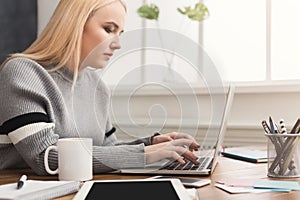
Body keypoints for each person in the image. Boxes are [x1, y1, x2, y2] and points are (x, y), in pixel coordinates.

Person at [0, 0, 199, 175]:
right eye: (109, 29)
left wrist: (150, 144)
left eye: (119, 33)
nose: (117, 44)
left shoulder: (97, 87)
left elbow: (106, 149)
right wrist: (145, 154)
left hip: (75, 188)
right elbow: (46, 158)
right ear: (74, 25)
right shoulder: (22, 72)